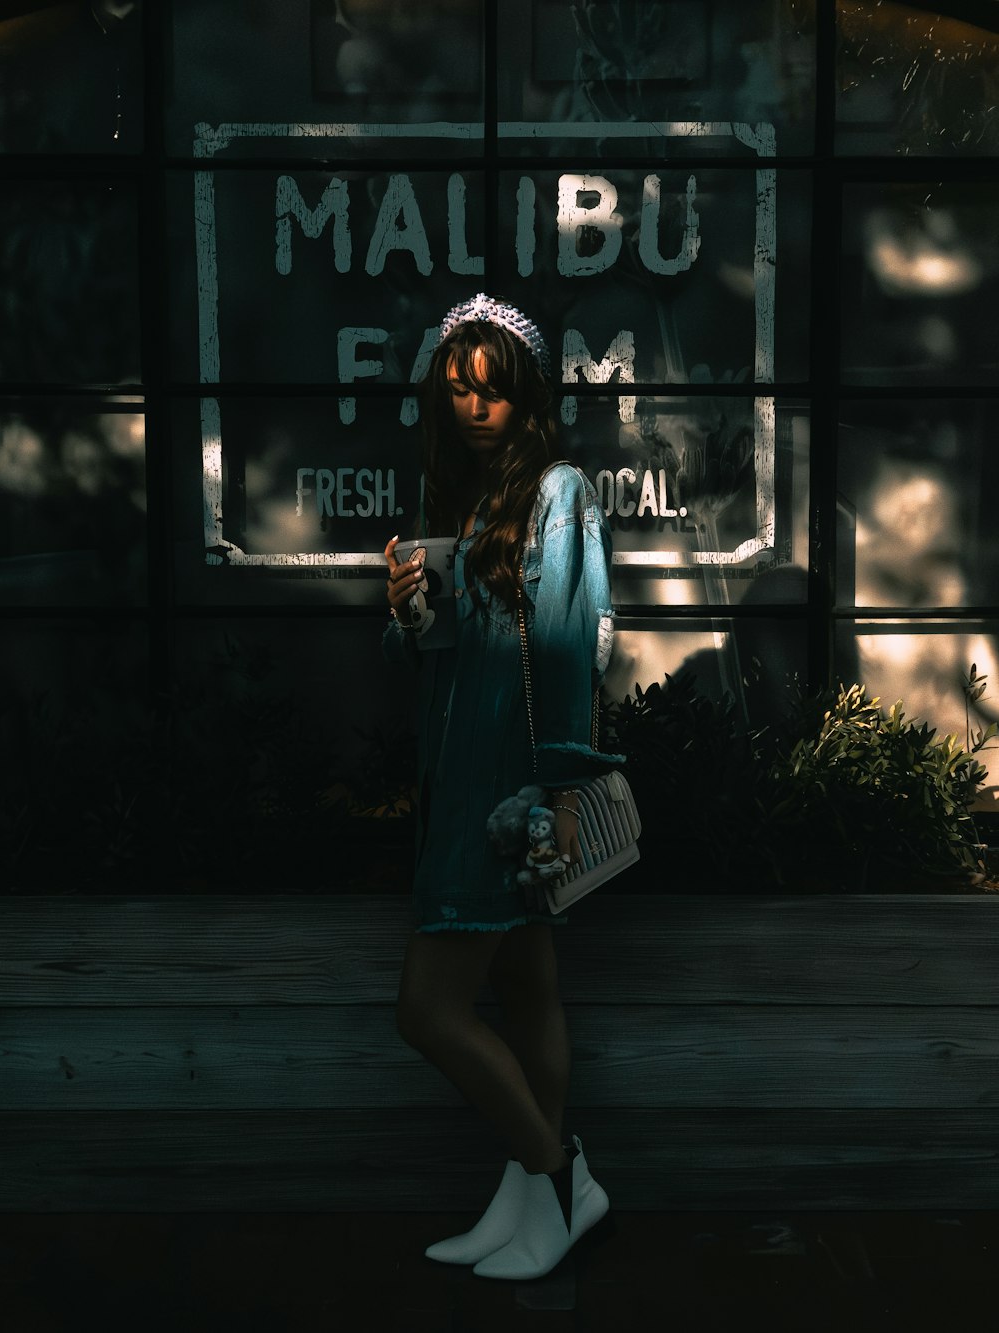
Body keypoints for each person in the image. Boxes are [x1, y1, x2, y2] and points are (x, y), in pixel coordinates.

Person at [382, 293, 619, 1281]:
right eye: (456, 391)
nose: (474, 408)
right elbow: (459, 653)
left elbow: (568, 644)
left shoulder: (556, 490)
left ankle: (557, 1176)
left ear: (524, 392)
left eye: (490, 389)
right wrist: (411, 612)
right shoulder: (474, 499)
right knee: (527, 990)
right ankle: (528, 1204)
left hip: (511, 789)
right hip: (469, 773)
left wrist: (562, 786)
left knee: (427, 1009)